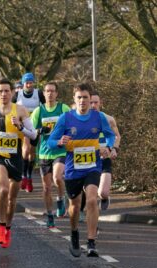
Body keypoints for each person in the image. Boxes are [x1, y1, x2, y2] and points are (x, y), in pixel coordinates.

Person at [47, 83, 115, 257]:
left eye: (86, 98)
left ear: (90, 99)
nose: (83, 101)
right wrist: (59, 142)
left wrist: (108, 146)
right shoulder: (65, 118)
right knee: (75, 207)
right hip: (72, 169)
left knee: (92, 199)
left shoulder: (98, 117)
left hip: (93, 166)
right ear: (74, 99)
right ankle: (74, 232)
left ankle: (91, 242)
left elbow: (110, 135)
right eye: (79, 97)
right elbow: (50, 142)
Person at [0, 78, 37, 248]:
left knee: (12, 200)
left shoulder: (20, 110)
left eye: (7, 91)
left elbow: (33, 135)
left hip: (15, 159)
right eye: (1, 91)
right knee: (3, 188)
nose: (4, 94)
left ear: (12, 92)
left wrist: (20, 127)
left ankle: (8, 227)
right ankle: (0, 225)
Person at [30, 82, 71, 226]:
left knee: (57, 177)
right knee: (46, 187)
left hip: (60, 151)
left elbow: (72, 126)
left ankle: (61, 198)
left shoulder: (63, 109)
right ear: (43, 93)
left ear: (57, 93)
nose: (50, 94)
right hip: (44, 153)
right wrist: (40, 131)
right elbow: (31, 132)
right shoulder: (38, 111)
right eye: (47, 91)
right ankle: (49, 215)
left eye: (52, 91)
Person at [13, 73, 45, 193]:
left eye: (31, 82)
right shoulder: (18, 95)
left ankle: (29, 176)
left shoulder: (39, 94)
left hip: (35, 127)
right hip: (22, 127)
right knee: (25, 151)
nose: (29, 84)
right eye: (26, 82)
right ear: (23, 84)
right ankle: (23, 176)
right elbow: (10, 108)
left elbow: (45, 107)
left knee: (32, 153)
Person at [89, 92, 121, 211]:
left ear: (100, 103)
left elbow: (117, 136)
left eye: (95, 102)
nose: (93, 105)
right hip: (88, 159)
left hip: (104, 157)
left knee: (103, 192)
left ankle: (104, 198)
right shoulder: (81, 119)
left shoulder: (108, 119)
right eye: (91, 102)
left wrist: (113, 149)